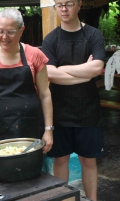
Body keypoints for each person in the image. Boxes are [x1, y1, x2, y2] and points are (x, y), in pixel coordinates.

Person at [41, 1, 105, 200]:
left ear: (78, 5)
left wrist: (62, 71)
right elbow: (49, 73)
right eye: (59, 4)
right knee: (60, 160)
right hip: (60, 111)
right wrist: (85, 75)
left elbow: (97, 67)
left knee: (89, 161)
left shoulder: (93, 35)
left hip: (88, 111)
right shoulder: (51, 39)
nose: (63, 9)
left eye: (68, 4)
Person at [0, 8, 53, 153]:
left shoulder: (35, 55)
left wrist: (48, 130)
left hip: (28, 128)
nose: (4, 37)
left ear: (21, 30)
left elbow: (44, 94)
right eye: (0, 31)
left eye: (10, 31)